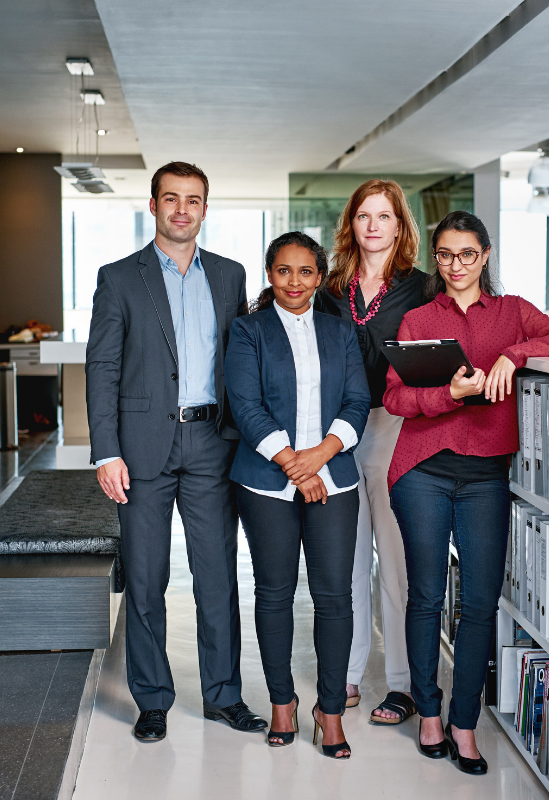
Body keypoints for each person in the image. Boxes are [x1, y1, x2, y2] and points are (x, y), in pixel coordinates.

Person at [383, 210, 549, 774]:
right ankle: (428, 713)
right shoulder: (419, 318)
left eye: (467, 254)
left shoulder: (512, 312)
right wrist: (448, 394)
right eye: (445, 255)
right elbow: (395, 398)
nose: (456, 266)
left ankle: (463, 722)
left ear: (486, 255)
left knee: (479, 603)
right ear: (437, 258)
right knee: (426, 596)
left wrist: (512, 355)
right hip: (422, 468)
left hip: (486, 476)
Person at [85, 161, 266, 742]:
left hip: (212, 442)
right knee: (145, 578)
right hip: (141, 448)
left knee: (217, 576)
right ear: (154, 205)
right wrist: (106, 452)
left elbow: (241, 358)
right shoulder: (119, 278)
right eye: (171, 198)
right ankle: (153, 699)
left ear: (205, 209)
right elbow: (102, 367)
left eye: (193, 200)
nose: (182, 209)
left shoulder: (230, 275)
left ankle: (223, 695)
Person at [225, 231, 370, 758]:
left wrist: (320, 456)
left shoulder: (340, 331)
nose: (294, 281)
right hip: (266, 481)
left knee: (335, 597)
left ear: (319, 277)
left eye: (305, 271)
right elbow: (245, 405)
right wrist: (294, 463)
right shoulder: (248, 330)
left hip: (334, 478)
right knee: (274, 594)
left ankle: (330, 711)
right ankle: (282, 703)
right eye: (283, 270)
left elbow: (357, 401)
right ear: (269, 274)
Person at [314, 179, 425, 724]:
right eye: (364, 215)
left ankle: (402, 684)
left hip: (394, 427)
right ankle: (348, 673)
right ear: (351, 224)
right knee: (347, 561)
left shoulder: (422, 288)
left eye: (384, 216)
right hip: (336, 432)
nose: (373, 225)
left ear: (400, 226)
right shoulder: (330, 288)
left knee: (396, 565)